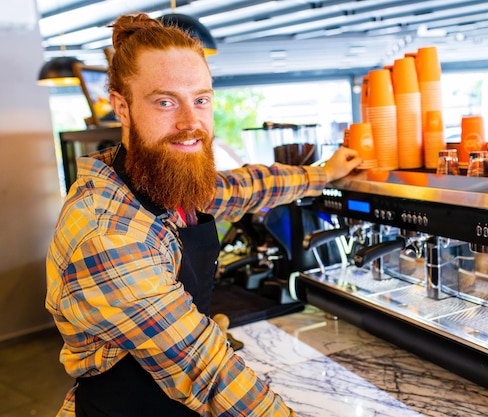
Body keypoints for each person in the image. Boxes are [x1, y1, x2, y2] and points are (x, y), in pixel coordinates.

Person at [45, 12, 362, 417]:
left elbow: (242, 187)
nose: (191, 122)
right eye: (165, 102)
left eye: (201, 100)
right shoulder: (109, 233)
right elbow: (208, 372)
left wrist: (321, 175)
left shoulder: (155, 175)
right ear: (121, 108)